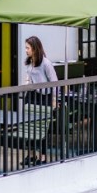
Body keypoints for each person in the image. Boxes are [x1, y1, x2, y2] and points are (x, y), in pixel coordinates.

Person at [21, 36, 58, 166]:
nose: (26, 50)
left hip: (44, 97)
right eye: (26, 48)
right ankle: (31, 154)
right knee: (28, 126)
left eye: (28, 48)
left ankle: (43, 156)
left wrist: (54, 99)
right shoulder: (30, 62)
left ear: (35, 48)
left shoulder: (46, 63)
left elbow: (54, 82)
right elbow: (29, 77)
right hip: (31, 95)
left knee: (41, 127)